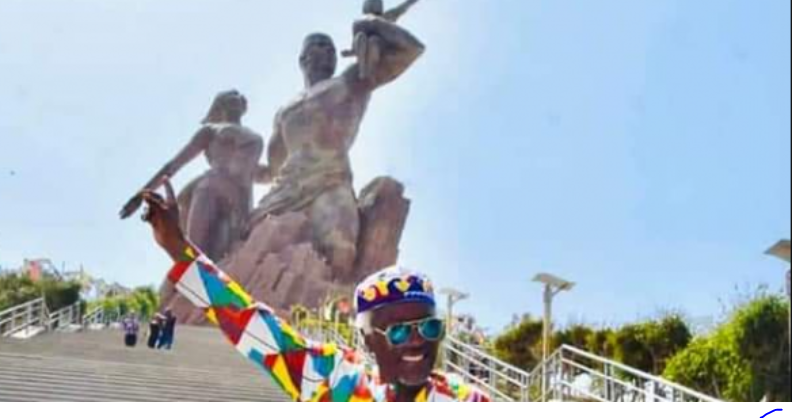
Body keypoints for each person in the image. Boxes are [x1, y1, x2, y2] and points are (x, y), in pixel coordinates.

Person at [137, 179, 488, 402]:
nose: (416, 341)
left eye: (428, 327)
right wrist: (179, 249)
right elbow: (253, 325)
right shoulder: (335, 380)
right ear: (366, 340)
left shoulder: (466, 402)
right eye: (397, 331)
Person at [119, 90, 265, 262]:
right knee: (195, 255)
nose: (235, 98)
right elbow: (173, 165)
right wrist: (141, 194)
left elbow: (261, 172)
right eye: (229, 97)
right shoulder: (211, 130)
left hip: (242, 200)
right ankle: (182, 287)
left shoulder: (255, 137)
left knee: (226, 258)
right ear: (220, 106)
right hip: (212, 189)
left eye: (238, 96)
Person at [342, 0, 421, 80]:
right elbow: (356, 44)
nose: (372, 6)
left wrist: (411, 2)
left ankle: (371, 70)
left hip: (377, 48)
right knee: (361, 36)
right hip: (363, 49)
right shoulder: (359, 23)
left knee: (374, 41)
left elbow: (401, 9)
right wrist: (350, 52)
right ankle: (362, 71)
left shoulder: (384, 18)